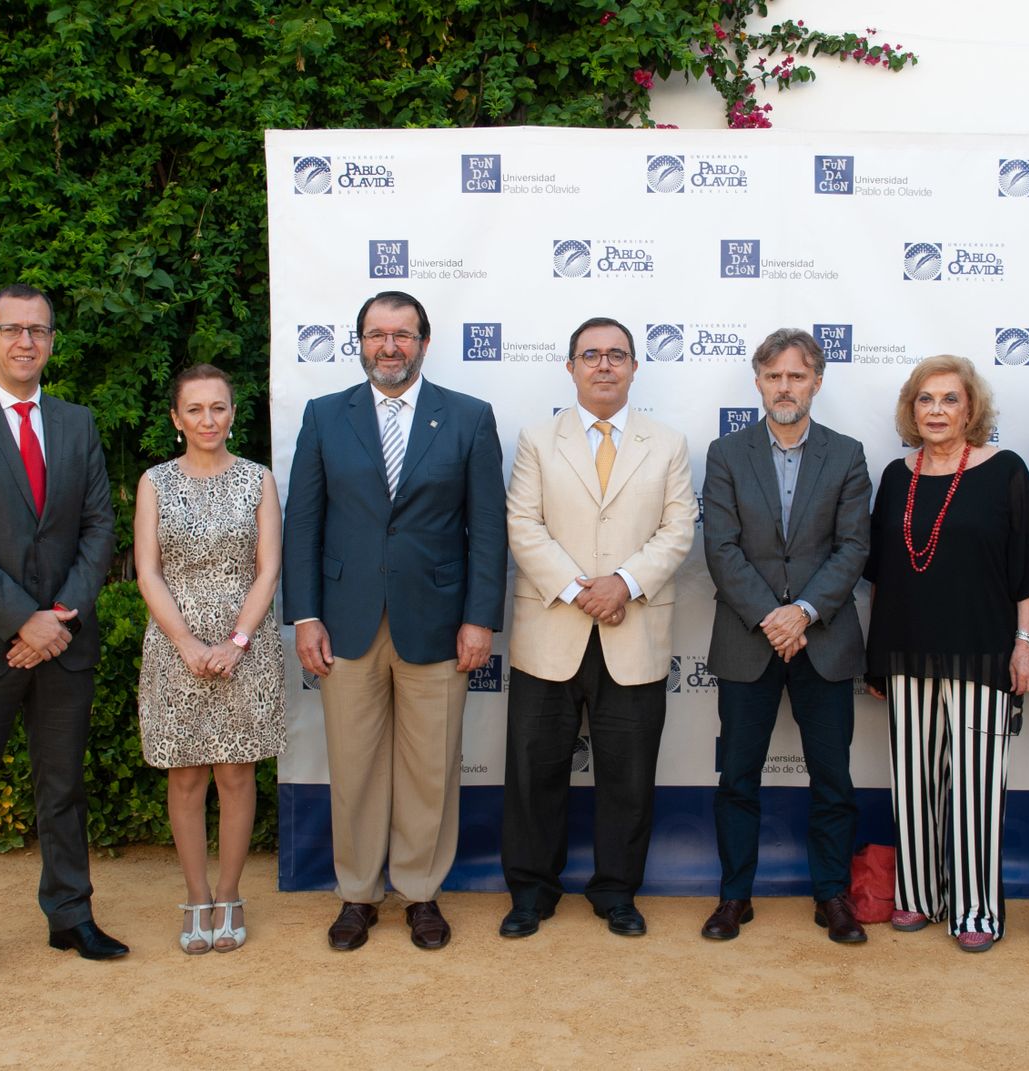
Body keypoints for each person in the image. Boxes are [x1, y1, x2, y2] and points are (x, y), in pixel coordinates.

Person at [283, 290, 507, 952]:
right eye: (377, 334)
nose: (390, 345)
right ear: (359, 342)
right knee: (352, 765)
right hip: (345, 621)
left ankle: (420, 892)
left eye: (402, 334)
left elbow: (487, 529)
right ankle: (357, 893)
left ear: (424, 343)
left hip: (438, 622)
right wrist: (304, 615)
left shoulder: (467, 417)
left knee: (429, 766)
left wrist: (479, 618)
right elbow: (304, 525)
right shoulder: (326, 417)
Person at [0, 283, 123, 992]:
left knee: (63, 788)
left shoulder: (76, 422)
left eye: (38, 330)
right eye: (12, 329)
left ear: (52, 341)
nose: (26, 341)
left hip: (63, 642)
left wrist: (57, 616)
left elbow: (99, 528)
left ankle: (70, 913)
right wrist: (23, 619)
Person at [499, 316, 695, 940]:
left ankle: (617, 892)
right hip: (550, 631)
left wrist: (625, 585)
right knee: (534, 774)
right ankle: (531, 892)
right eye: (591, 355)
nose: (604, 365)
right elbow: (523, 524)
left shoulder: (667, 443)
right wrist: (579, 590)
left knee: (629, 776)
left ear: (635, 367)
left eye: (617, 355)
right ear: (571, 368)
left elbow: (679, 530)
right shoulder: (536, 438)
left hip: (632, 632)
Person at [862, 354, 1029, 953]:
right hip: (908, 653)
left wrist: (1025, 644)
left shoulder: (1005, 471)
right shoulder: (896, 475)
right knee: (912, 783)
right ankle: (918, 893)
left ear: (972, 409)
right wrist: (876, 658)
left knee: (974, 787)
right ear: (910, 410)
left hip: (983, 653)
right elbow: (884, 577)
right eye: (925, 399)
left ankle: (976, 907)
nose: (936, 410)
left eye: (949, 399)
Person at [700, 328, 873, 944]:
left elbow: (854, 546)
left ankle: (833, 896)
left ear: (817, 382)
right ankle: (733, 897)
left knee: (833, 779)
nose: (785, 387)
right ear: (758, 383)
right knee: (738, 778)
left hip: (823, 641)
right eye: (774, 376)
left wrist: (801, 611)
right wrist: (773, 617)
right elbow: (719, 548)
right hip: (748, 639)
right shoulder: (726, 453)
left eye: (796, 376)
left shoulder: (848, 454)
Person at [134, 363, 286, 954]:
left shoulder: (259, 480)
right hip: (176, 646)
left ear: (233, 413)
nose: (208, 419)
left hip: (245, 645)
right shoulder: (154, 482)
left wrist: (237, 642)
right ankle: (196, 897)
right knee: (188, 774)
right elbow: (148, 569)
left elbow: (268, 566)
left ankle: (229, 895)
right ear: (176, 419)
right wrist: (189, 644)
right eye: (194, 409)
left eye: (218, 407)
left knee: (237, 772)